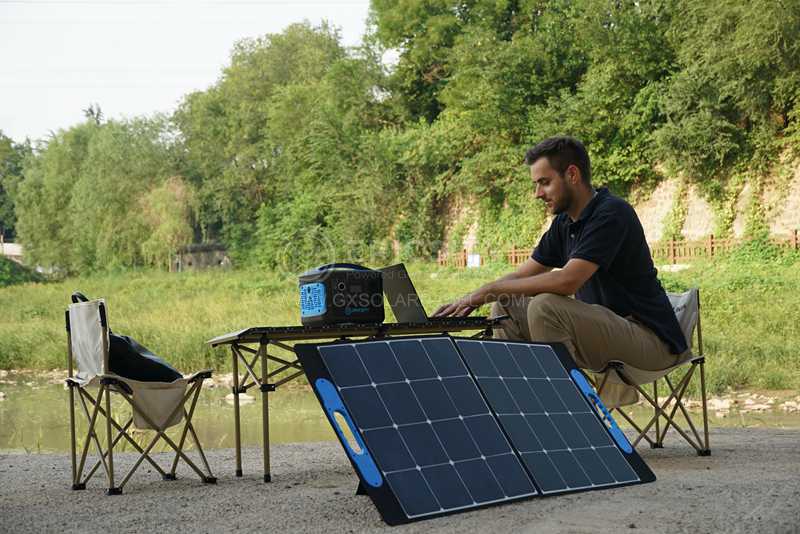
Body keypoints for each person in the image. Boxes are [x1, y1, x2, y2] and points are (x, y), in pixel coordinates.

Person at [432, 136, 688, 407]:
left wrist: (490, 290)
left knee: (545, 306)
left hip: (650, 342)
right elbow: (521, 276)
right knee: (507, 304)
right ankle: (519, 407)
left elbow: (567, 281)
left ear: (572, 174)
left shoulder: (612, 213)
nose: (537, 194)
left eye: (544, 182)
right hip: (606, 333)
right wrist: (474, 296)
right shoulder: (565, 224)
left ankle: (569, 417)